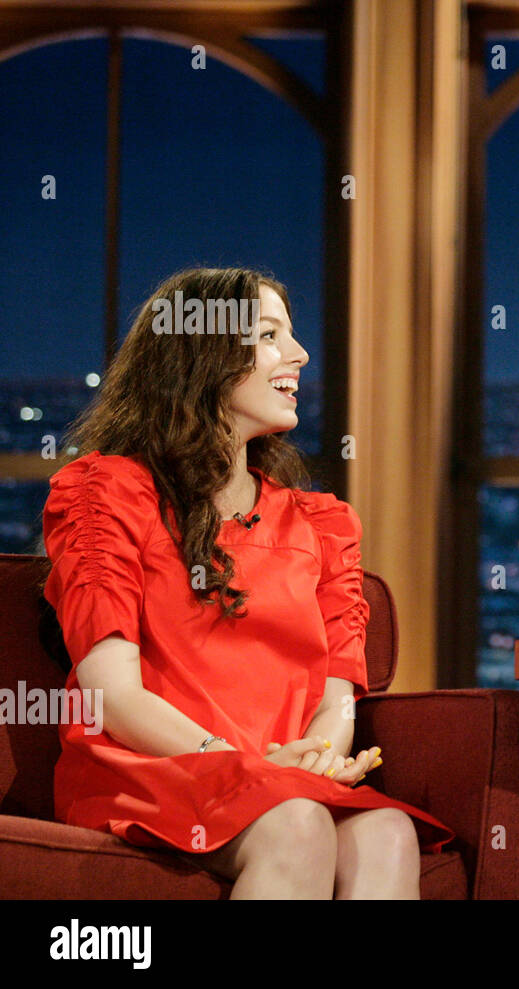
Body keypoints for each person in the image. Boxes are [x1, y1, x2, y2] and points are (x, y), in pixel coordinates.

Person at [41, 268, 453, 899]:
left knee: (387, 832)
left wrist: (314, 756)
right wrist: (244, 765)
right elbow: (110, 694)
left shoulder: (323, 525)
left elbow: (337, 700)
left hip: (279, 777)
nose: (299, 355)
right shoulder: (108, 493)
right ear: (200, 357)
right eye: (269, 335)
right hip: (157, 766)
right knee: (298, 825)